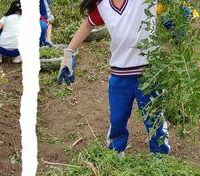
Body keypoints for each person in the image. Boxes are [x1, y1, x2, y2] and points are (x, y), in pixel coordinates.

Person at [57, 0, 173, 154]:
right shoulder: (103, 5)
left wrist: (176, 15)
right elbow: (87, 25)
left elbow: (168, 5)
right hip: (120, 74)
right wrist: (68, 53)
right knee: (117, 119)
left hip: (149, 73)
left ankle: (159, 154)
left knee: (154, 118)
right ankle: (116, 152)